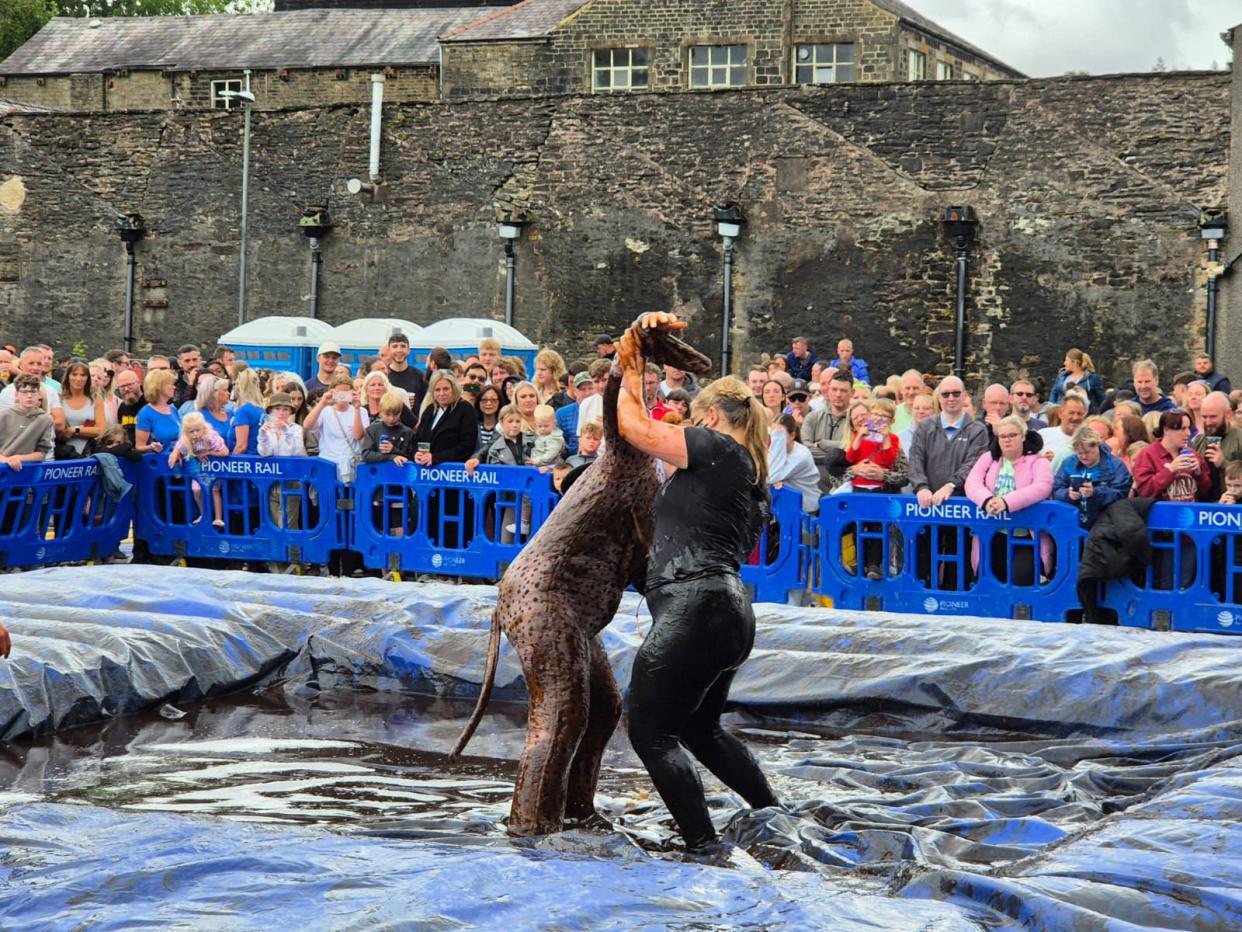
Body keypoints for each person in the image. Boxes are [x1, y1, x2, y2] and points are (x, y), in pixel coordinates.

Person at [615, 314, 780, 853]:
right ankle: (773, 815)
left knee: (650, 733)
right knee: (700, 730)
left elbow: (635, 430)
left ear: (710, 415)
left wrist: (629, 370)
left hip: (697, 605)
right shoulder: (753, 473)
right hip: (728, 611)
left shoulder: (718, 449)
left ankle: (703, 846)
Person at [964, 415, 1054, 583]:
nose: (1007, 440)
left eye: (1012, 435)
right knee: (990, 581)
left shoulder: (1039, 461)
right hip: (992, 532)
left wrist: (1006, 502)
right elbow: (972, 482)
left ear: (1023, 436)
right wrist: (987, 500)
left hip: (1026, 535)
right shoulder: (988, 458)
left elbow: (1042, 487)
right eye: (1002, 436)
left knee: (1021, 579)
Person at [1052, 426, 1132, 528]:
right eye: (1079, 453)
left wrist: (1095, 492)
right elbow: (1056, 490)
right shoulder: (1068, 463)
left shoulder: (1116, 465)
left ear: (1097, 446)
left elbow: (1122, 493)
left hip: (1105, 522)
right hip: (1072, 522)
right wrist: (1068, 494)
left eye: (1087, 452)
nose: (1083, 457)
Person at [304, 373, 368, 483]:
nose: (342, 396)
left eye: (346, 392)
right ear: (332, 392)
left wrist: (357, 408)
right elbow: (307, 425)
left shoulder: (361, 411)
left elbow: (358, 436)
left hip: (351, 463)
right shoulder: (325, 410)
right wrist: (322, 402)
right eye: (338, 392)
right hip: (328, 463)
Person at [168, 411, 228, 528]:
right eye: (191, 431)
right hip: (197, 471)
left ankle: (218, 518)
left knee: (214, 489)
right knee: (196, 490)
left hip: (213, 470)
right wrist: (175, 454)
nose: (195, 434)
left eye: (197, 430)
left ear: (203, 428)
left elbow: (225, 452)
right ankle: (204, 514)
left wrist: (209, 453)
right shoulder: (185, 440)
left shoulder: (211, 436)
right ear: (186, 432)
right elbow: (178, 448)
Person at [800, 369, 853, 492]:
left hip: (845, 488)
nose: (838, 394)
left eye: (843, 390)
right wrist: (839, 454)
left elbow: (854, 450)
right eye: (834, 389)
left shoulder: (858, 420)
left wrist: (822, 444)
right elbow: (804, 452)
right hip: (813, 487)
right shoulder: (812, 417)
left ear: (852, 392)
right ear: (828, 391)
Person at [1192, 391, 1242, 501]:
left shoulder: (1239, 438)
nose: (1208, 422)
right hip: (1202, 507)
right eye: (1204, 417)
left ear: (1228, 414)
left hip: (1234, 509)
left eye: (1213, 417)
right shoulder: (1199, 441)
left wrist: (1224, 464)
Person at [768, 414, 820, 513]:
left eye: (779, 434)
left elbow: (770, 476)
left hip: (806, 510)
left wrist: (777, 480)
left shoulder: (801, 455)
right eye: (772, 434)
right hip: (785, 508)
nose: (774, 439)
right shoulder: (772, 450)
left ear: (792, 435)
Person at [0, 374, 54, 470]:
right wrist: (6, 460)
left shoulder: (46, 419)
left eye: (33, 392)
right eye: (24, 392)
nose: (29, 396)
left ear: (38, 394)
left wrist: (19, 458)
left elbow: (42, 453)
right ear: (16, 395)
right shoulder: (3, 416)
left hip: (27, 470)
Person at [57, 361, 106, 458]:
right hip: (62, 451)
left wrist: (75, 430)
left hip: (88, 450)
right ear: (68, 376)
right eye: (74, 374)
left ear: (87, 378)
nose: (78, 379)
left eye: (83, 375)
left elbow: (101, 430)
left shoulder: (96, 399)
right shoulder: (58, 398)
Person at [134, 369, 181, 455]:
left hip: (178, 461)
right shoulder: (145, 413)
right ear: (159, 387)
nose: (174, 387)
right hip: (159, 463)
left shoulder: (173, 409)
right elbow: (139, 447)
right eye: (170, 384)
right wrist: (151, 447)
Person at [362, 392, 414, 467]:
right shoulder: (372, 430)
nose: (391, 418)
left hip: (402, 475)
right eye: (387, 414)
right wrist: (391, 457)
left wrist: (393, 450)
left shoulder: (408, 432)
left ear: (401, 412)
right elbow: (366, 455)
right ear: (380, 411)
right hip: (379, 476)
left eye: (395, 414)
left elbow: (413, 457)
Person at [1049, 348, 1104, 413]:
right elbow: (1054, 393)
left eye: (1066, 360)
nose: (1064, 363)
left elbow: (1101, 399)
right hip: (1061, 414)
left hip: (1082, 415)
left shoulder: (1091, 378)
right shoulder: (1061, 376)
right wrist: (1052, 410)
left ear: (1074, 362)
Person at [229, 368, 266, 456]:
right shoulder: (261, 410)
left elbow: (241, 446)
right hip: (258, 459)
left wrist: (229, 464)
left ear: (239, 386)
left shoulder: (243, 411)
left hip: (246, 461)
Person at [195, 374, 235, 451]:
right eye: (225, 390)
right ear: (214, 394)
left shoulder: (231, 414)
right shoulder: (200, 417)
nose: (228, 393)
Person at [528, 404, 565, 472]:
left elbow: (550, 454)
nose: (543, 429)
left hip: (550, 467)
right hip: (536, 465)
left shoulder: (556, 438)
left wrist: (536, 461)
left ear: (554, 423)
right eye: (540, 426)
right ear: (535, 424)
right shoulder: (538, 435)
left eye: (546, 426)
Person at [114, 368, 145, 445]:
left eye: (129, 385)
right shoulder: (122, 407)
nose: (126, 389)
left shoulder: (150, 403)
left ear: (139, 382)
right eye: (122, 386)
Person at [893, 369, 924, 433]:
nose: (911, 392)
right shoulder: (893, 413)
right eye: (907, 388)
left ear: (923, 389)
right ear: (901, 390)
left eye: (915, 388)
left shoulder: (933, 413)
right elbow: (873, 437)